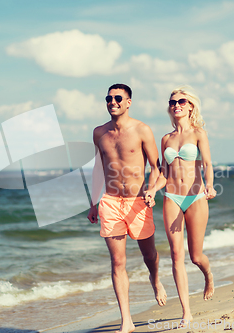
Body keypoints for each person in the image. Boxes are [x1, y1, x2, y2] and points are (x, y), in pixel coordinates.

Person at [87, 83, 167, 333]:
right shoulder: (99, 133)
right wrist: (93, 201)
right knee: (117, 262)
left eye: (118, 98)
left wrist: (152, 191)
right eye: (108, 98)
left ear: (129, 102)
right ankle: (127, 321)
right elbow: (99, 168)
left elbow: (156, 168)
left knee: (149, 256)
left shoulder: (142, 129)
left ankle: (155, 279)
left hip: (138, 201)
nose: (113, 101)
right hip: (110, 202)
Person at [144, 86, 216, 327]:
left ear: (190, 106)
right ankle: (186, 311)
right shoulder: (166, 138)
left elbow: (206, 162)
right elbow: (164, 174)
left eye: (181, 101)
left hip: (195, 197)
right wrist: (153, 189)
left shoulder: (198, 133)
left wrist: (210, 185)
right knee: (176, 254)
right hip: (172, 197)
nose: (176, 105)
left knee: (195, 256)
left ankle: (208, 275)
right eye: (173, 102)